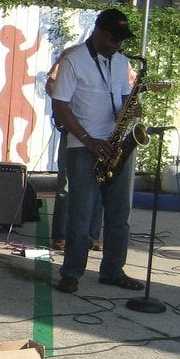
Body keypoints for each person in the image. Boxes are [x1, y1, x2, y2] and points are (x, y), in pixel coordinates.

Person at [49, 8, 144, 294]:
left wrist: (132, 107)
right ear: (100, 32)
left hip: (117, 144)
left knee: (119, 212)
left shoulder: (122, 62)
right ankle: (71, 272)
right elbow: (60, 106)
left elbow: (125, 96)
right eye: (115, 38)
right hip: (83, 146)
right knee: (81, 212)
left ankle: (113, 270)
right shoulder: (74, 60)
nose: (119, 44)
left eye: (122, 39)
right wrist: (89, 139)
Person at [46, 51, 103, 252]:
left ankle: (92, 235)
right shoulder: (73, 56)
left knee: (101, 183)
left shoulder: (121, 62)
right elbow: (51, 83)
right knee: (67, 183)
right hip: (75, 129)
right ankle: (61, 234)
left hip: (104, 133)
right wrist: (65, 108)